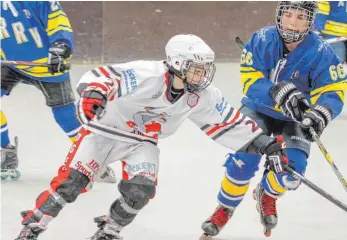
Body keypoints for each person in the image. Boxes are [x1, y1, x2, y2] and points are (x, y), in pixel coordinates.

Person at [16, 34, 289, 240]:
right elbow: (103, 76)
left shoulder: (201, 96)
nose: (204, 74)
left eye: (206, 68)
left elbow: (228, 121)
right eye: (197, 67)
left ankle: (109, 230)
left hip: (142, 143)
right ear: (178, 63)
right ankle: (33, 225)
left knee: (141, 191)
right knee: (71, 184)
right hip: (104, 132)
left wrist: (263, 143)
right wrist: (95, 93)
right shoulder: (146, 74)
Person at [201, 1, 347, 239]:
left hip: (295, 119)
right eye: (288, 14)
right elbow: (250, 79)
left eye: (300, 17)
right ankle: (225, 207)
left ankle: (266, 194)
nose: (292, 21)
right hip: (259, 109)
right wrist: (274, 90)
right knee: (242, 159)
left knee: (292, 172)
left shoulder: (321, 51)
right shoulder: (261, 39)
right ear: (279, 15)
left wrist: (320, 113)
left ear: (310, 20)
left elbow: (334, 89)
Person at [0, 1, 115, 182]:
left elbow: (58, 22)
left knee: (66, 115)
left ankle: (91, 159)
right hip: (9, 63)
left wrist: (60, 47)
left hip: (48, 65)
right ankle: (5, 152)